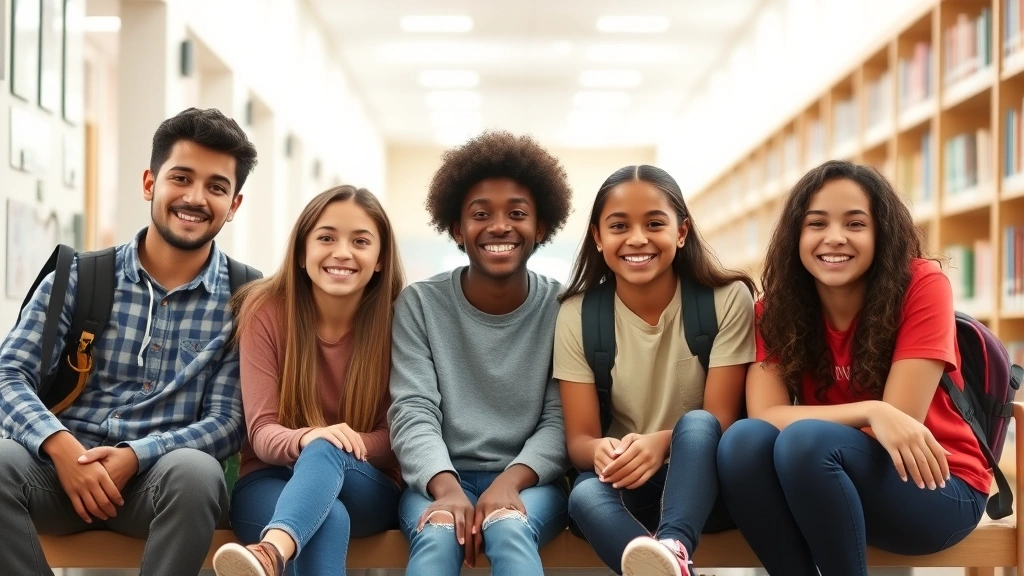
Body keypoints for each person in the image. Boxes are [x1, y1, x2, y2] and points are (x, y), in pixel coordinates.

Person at [0, 107, 258, 576]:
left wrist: (137, 456)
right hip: (57, 475)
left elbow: (228, 422)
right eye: (181, 178)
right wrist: (61, 448)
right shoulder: (79, 275)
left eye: (217, 187)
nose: (195, 198)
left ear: (234, 205)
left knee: (199, 474)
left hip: (160, 487)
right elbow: (8, 374)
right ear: (149, 184)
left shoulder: (248, 298)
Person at [717, 160, 990, 576]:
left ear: (882, 233)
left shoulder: (922, 284)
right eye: (817, 224)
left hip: (936, 485)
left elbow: (902, 426)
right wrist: (871, 410)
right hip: (820, 477)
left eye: (856, 224)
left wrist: (882, 415)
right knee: (742, 442)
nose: (835, 238)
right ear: (796, 236)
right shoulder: (773, 310)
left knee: (804, 442)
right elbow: (766, 416)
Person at [554, 165, 755, 576]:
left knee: (698, 423)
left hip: (707, 487)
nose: (637, 238)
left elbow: (722, 420)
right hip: (630, 490)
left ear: (682, 233)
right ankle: (672, 567)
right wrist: (602, 451)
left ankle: (676, 545)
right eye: (619, 225)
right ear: (598, 237)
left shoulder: (727, 300)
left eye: (655, 223)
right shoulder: (576, 314)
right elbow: (579, 440)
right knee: (584, 495)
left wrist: (661, 443)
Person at [388, 130, 573, 576]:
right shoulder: (419, 305)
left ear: (541, 227)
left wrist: (511, 482)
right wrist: (447, 488)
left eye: (517, 213)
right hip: (437, 478)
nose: (499, 226)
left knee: (508, 529)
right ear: (457, 228)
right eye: (480, 214)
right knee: (436, 535)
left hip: (530, 480)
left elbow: (560, 417)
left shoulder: (565, 308)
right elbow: (413, 409)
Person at [212, 185, 405, 576]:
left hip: (367, 486)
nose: (342, 252)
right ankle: (277, 545)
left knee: (326, 449)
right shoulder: (264, 310)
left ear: (380, 258)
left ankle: (270, 552)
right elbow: (263, 433)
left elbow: (397, 437)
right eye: (326, 237)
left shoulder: (400, 320)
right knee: (326, 517)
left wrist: (336, 443)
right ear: (302, 252)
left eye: (361, 241)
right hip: (269, 483)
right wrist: (307, 438)